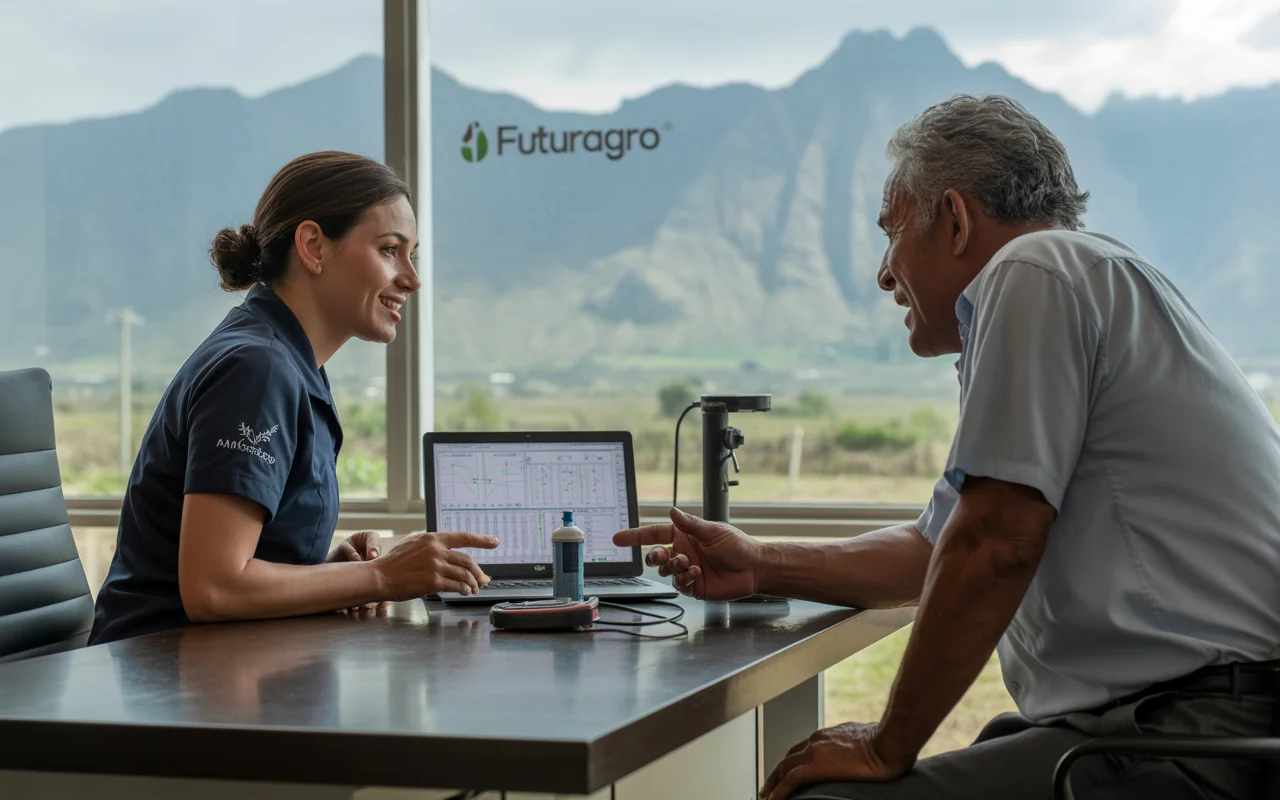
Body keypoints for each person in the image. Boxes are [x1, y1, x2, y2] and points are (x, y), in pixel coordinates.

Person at [615, 95, 1280, 799]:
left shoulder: (1036, 272)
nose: (882, 273)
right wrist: (759, 563)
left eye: (891, 232)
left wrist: (887, 744)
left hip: (1195, 736)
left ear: (956, 220)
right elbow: (939, 548)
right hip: (1186, 722)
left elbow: (993, 544)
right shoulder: (1077, 280)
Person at [90, 151, 497, 645]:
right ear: (312, 246)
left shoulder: (287, 362)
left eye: (412, 255)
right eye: (390, 249)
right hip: (169, 678)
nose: (411, 278)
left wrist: (331, 573)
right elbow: (213, 589)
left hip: (221, 666)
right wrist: (384, 577)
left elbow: (236, 568)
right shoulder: (258, 369)